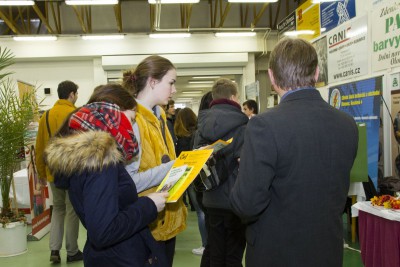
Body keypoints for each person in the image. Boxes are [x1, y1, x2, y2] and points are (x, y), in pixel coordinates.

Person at [230, 38, 359, 267]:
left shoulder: (263, 126)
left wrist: (244, 171)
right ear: (317, 73)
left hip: (277, 253)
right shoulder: (347, 124)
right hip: (327, 251)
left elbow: (246, 204)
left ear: (271, 77)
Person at [43, 83, 170, 267]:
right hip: (120, 258)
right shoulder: (100, 159)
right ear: (113, 113)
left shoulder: (88, 156)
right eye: (132, 119)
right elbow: (104, 231)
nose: (132, 127)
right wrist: (149, 205)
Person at [122, 55, 187, 267]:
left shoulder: (159, 117)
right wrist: (173, 167)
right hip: (147, 226)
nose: (174, 90)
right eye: (171, 82)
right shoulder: (133, 122)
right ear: (152, 81)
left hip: (166, 221)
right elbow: (128, 183)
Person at [194, 78, 248, 267]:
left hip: (210, 198)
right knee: (233, 255)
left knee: (215, 252)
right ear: (234, 97)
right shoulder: (243, 126)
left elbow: (196, 160)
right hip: (235, 200)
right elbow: (246, 163)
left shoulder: (201, 125)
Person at [35, 80, 82, 264]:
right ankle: (72, 251)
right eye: (76, 94)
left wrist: (41, 173)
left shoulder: (45, 116)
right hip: (72, 172)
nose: (76, 97)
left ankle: (54, 249)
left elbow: (40, 149)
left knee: (58, 209)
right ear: (71, 94)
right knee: (72, 211)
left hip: (53, 172)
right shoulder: (76, 115)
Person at [174, 107, 206, 254]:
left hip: (191, 177)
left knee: (200, 212)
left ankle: (205, 244)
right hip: (203, 176)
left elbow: (181, 161)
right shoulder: (200, 133)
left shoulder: (182, 139)